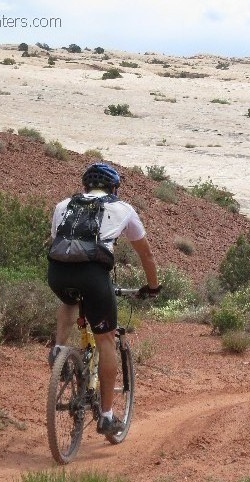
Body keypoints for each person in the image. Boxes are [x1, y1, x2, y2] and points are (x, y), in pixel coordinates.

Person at [47, 162, 161, 437]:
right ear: (113, 188)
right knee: (106, 339)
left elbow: (57, 242)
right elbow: (146, 254)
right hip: (94, 276)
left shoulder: (64, 205)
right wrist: (153, 287)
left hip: (57, 273)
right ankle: (107, 417)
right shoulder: (122, 208)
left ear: (85, 186)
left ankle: (59, 350)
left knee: (70, 300)